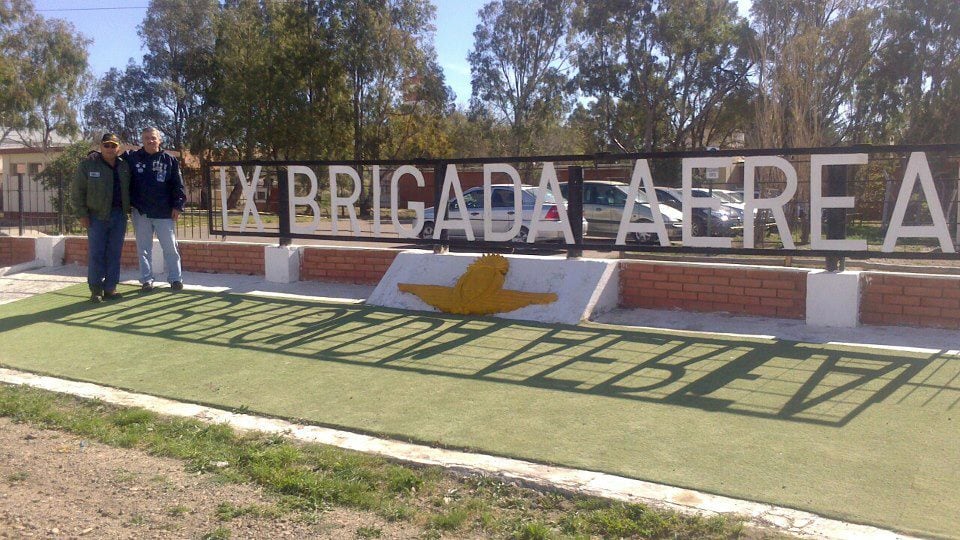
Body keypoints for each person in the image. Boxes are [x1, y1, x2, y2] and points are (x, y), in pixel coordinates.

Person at [72, 133, 131, 303]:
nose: (110, 149)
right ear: (100, 147)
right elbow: (77, 192)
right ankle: (96, 290)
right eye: (106, 145)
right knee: (96, 254)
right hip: (96, 216)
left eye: (113, 145)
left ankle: (110, 288)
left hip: (119, 216)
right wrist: (81, 214)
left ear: (118, 148)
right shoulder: (88, 165)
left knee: (114, 253)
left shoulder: (124, 166)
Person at [127, 127, 186, 291]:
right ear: (142, 140)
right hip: (141, 212)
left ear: (159, 140)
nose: (150, 140)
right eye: (146, 138)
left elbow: (178, 185)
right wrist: (93, 155)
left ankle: (175, 279)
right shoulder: (133, 157)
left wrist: (178, 205)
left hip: (164, 212)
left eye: (153, 137)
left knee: (170, 248)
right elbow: (113, 157)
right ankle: (146, 280)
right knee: (143, 249)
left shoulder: (169, 160)